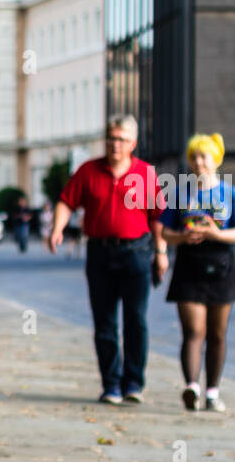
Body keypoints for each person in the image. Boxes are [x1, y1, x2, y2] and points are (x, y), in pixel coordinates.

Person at [46, 116, 166, 404]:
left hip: (136, 253)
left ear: (133, 144)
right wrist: (57, 228)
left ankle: (133, 383)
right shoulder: (88, 171)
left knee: (136, 321)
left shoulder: (146, 173)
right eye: (111, 138)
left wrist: (161, 252)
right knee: (105, 322)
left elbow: (158, 216)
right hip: (100, 253)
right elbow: (66, 201)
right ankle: (111, 384)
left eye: (122, 139)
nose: (115, 144)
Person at [159, 134, 235, 413]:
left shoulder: (230, 193)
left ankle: (212, 391)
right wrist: (181, 238)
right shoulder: (179, 193)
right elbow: (164, 232)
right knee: (193, 331)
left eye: (204, 157)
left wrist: (217, 233)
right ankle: (192, 386)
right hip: (189, 266)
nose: (198, 162)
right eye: (194, 157)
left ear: (216, 161)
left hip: (222, 266)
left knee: (217, 334)